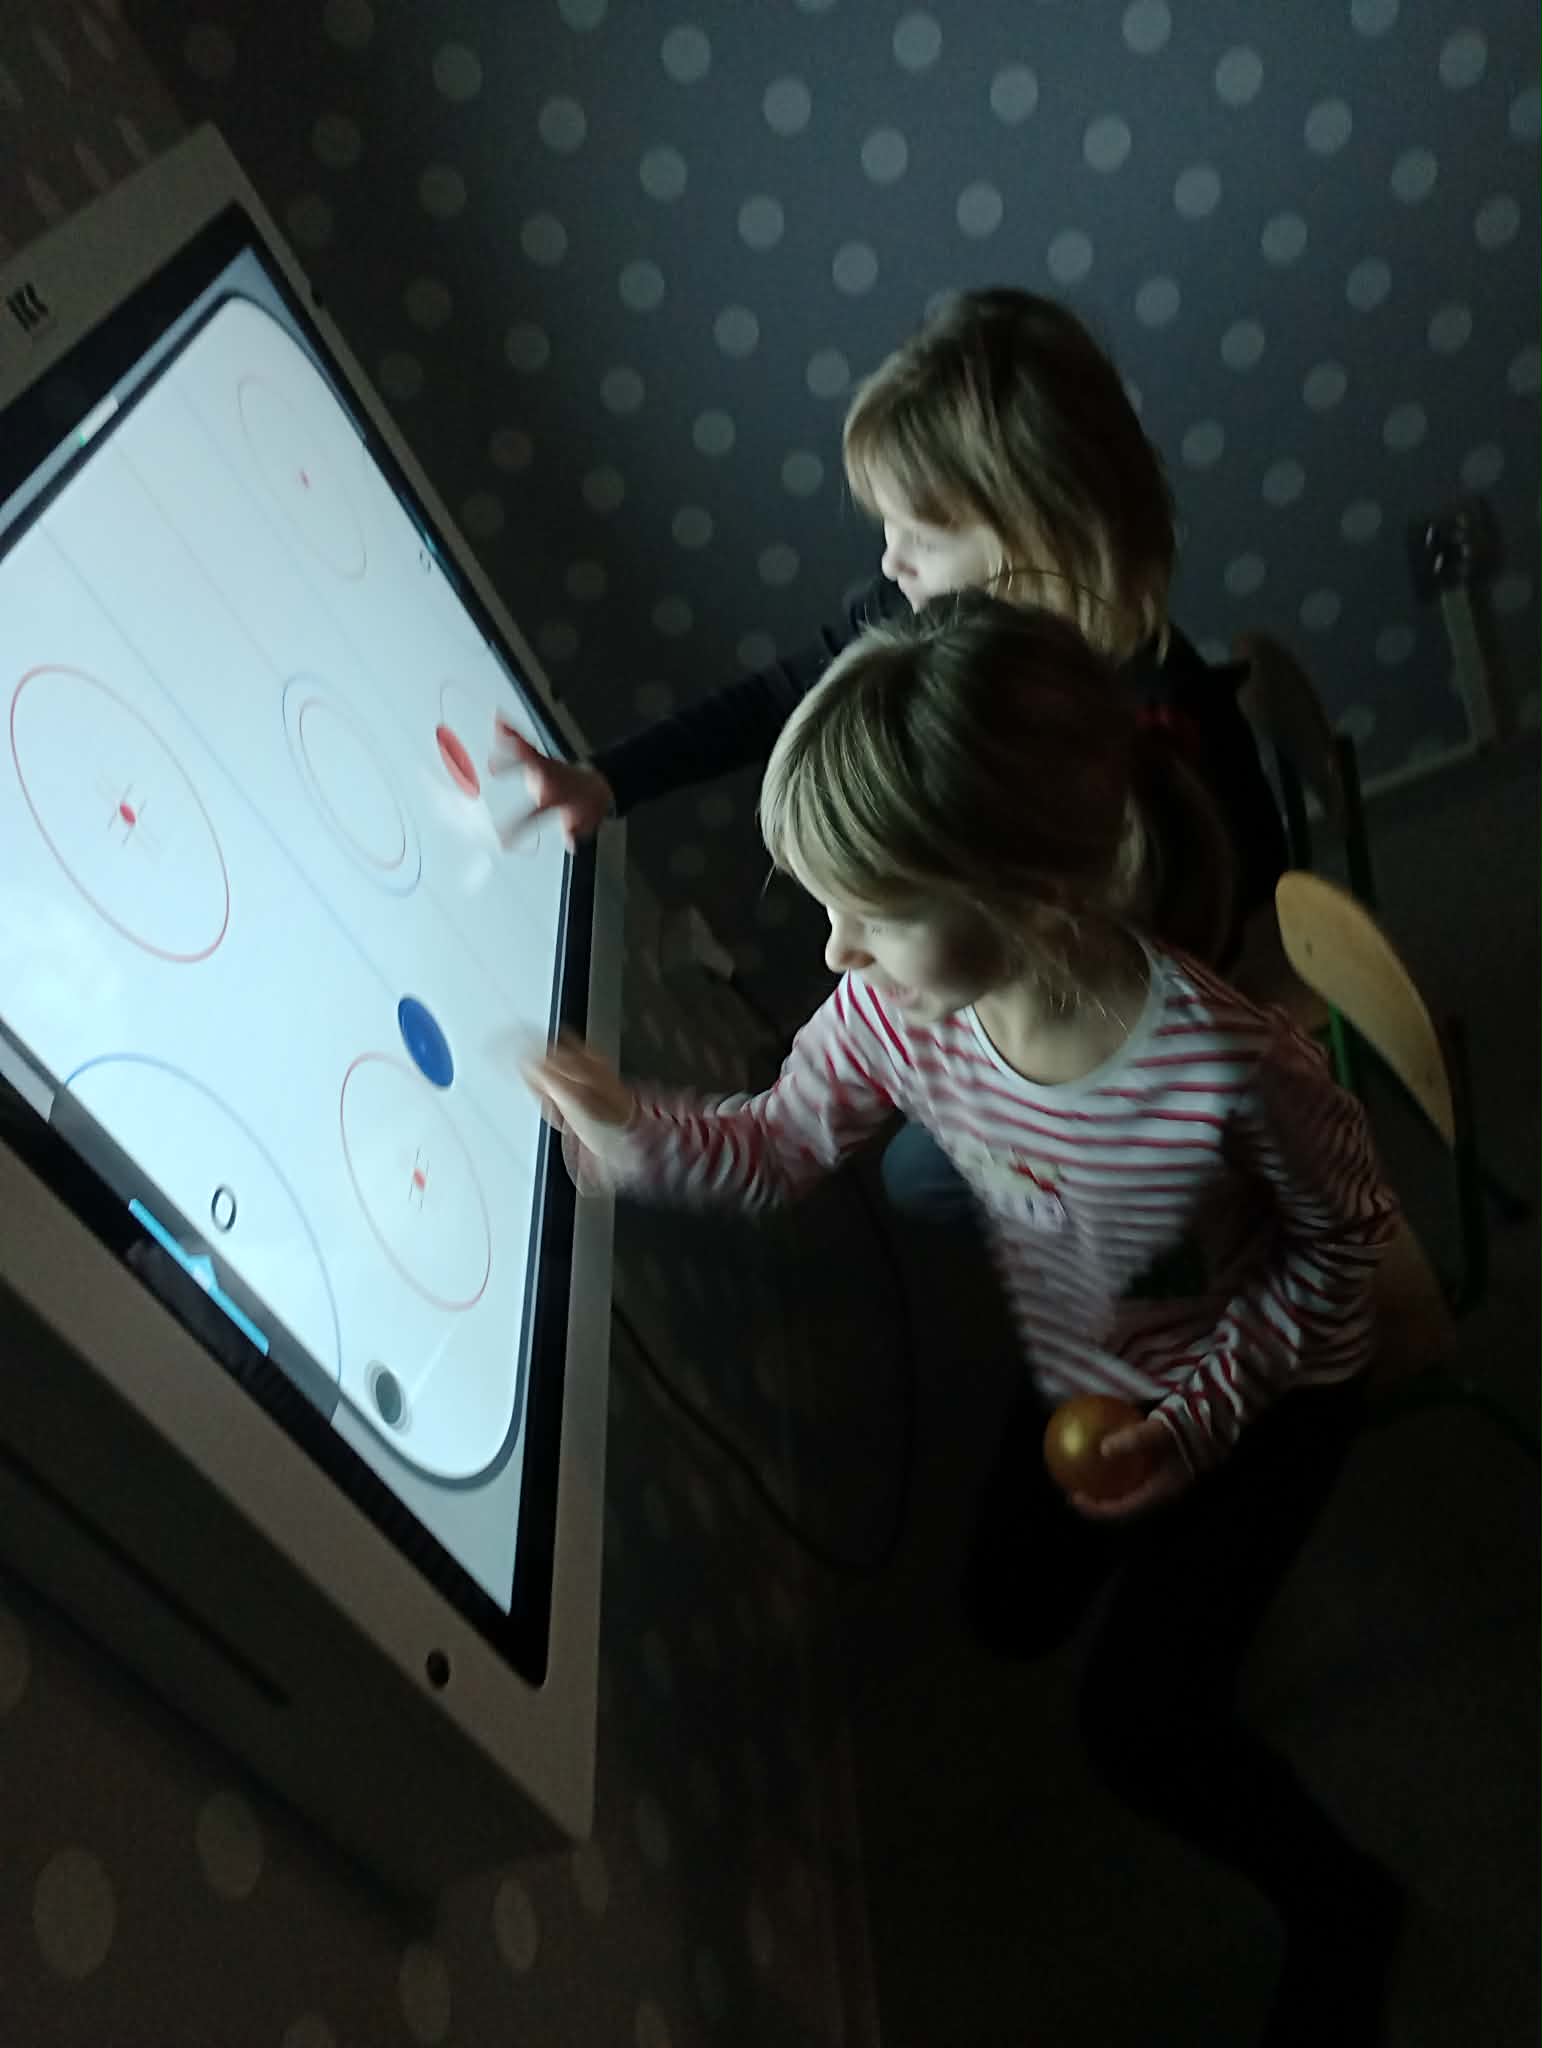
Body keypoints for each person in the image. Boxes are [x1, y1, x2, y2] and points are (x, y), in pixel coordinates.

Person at [523, 595, 1406, 2045]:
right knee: (1004, 1607)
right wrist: (642, 1138)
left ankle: (1344, 1902)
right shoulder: (892, 1017)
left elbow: (1346, 1247)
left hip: (1273, 1395)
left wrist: (1194, 1425)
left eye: (867, 916)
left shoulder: (1226, 1064)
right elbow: (782, 1142)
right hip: (1099, 1353)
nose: (832, 954)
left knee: (1138, 1722)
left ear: (1028, 900)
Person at [492, 286, 1289, 1219]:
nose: (890, 562)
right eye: (887, 527)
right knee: (915, 1167)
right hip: (1020, 999)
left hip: (1120, 1043)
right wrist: (610, 779)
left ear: (1039, 534)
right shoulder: (921, 623)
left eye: (922, 536)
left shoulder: (1158, 734)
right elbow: (776, 696)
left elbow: (1226, 922)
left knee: (921, 1174)